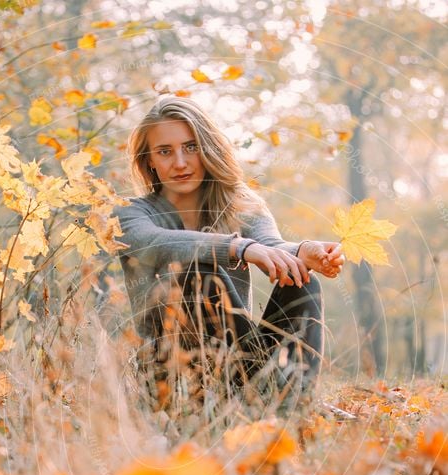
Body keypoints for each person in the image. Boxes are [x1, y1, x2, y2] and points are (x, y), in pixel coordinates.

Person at [112, 95, 344, 406]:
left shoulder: (241, 204)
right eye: (165, 151)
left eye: (191, 147)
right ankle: (266, 401)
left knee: (301, 280)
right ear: (149, 160)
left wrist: (302, 251)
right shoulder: (131, 214)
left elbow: (271, 245)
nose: (179, 163)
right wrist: (238, 248)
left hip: (241, 362)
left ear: (207, 148)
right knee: (200, 272)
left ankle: (292, 405)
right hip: (174, 374)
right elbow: (155, 243)